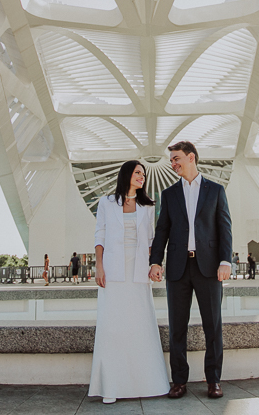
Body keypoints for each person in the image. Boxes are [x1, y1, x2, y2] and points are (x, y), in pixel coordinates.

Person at [150, 141, 232, 400]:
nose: (173, 164)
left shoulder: (216, 190)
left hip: (209, 268)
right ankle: (179, 381)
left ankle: (214, 380)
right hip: (177, 268)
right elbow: (162, 229)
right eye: (172, 160)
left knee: (213, 327)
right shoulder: (169, 194)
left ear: (191, 158)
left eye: (176, 158)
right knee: (177, 327)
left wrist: (226, 261)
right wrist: (155, 261)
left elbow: (225, 228)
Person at [88, 160, 169, 404]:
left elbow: (152, 239)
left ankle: (148, 384)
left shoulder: (148, 205)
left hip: (139, 271)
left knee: (141, 325)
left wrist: (155, 265)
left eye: (143, 174)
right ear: (126, 175)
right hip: (112, 271)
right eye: (137, 172)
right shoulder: (106, 202)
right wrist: (99, 266)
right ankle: (111, 386)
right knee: (112, 327)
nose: (142, 176)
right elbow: (100, 234)